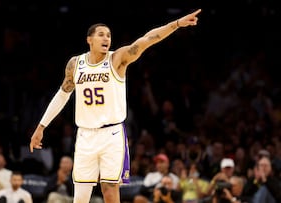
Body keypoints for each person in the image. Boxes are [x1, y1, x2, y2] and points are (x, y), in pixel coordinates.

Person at [29, 9, 201, 203]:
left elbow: (147, 39)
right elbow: (62, 94)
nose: (106, 38)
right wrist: (41, 126)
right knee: (80, 196)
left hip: (111, 135)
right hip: (85, 135)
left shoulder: (117, 59)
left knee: (110, 190)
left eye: (109, 35)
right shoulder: (75, 64)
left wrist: (176, 24)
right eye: (101, 34)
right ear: (89, 40)